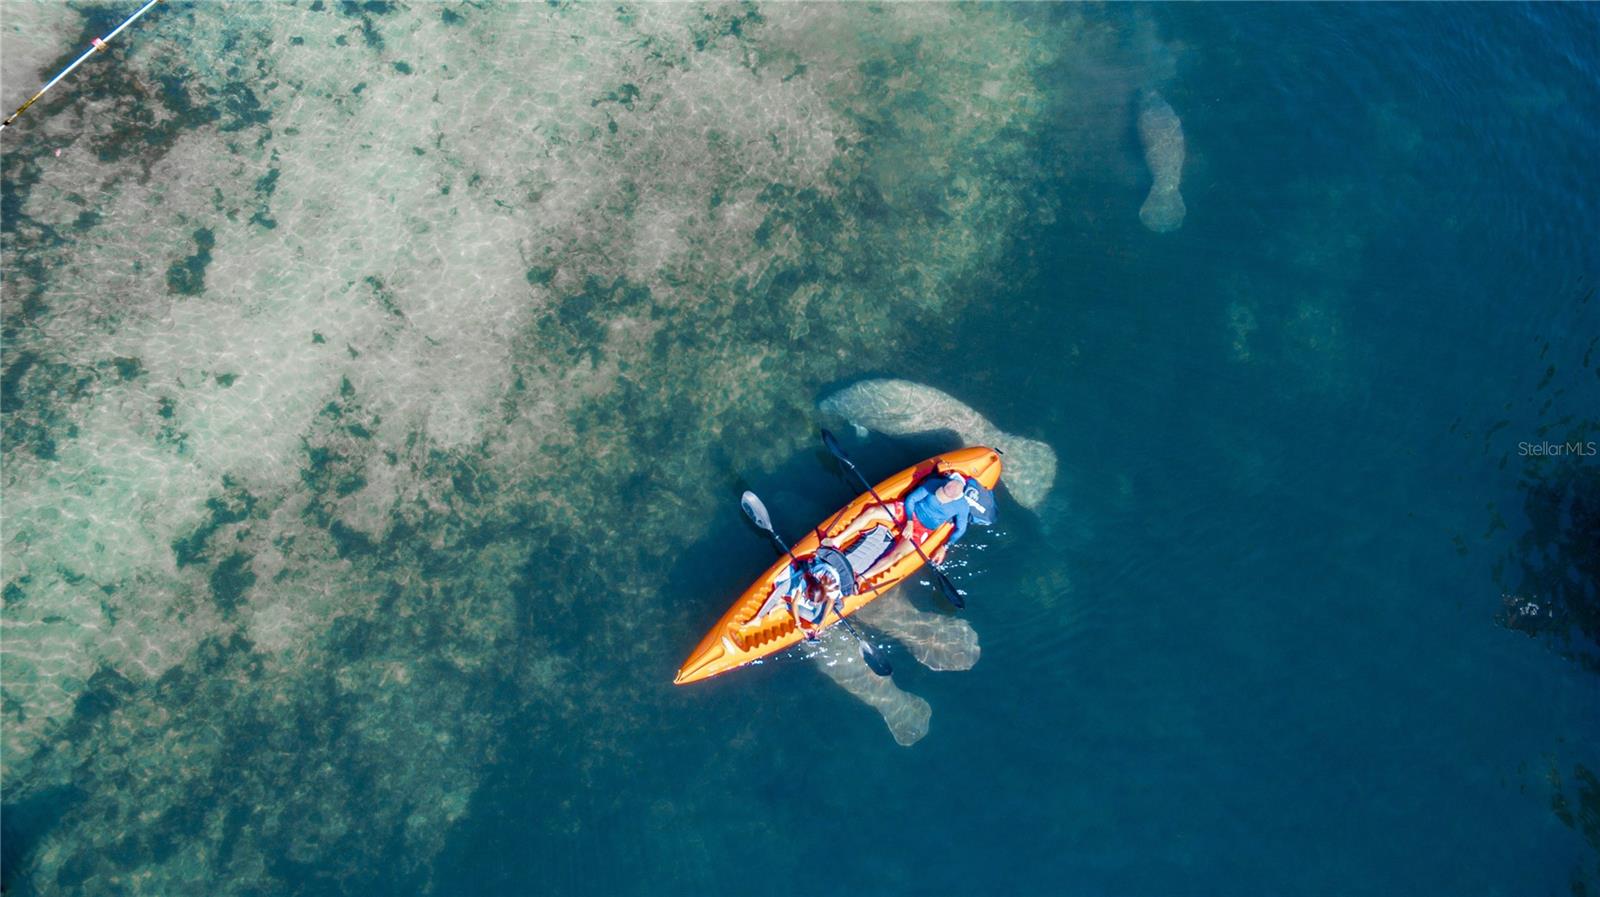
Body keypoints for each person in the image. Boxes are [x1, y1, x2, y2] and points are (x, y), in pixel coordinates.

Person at [822, 470, 972, 582]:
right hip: (908, 513)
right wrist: (909, 522)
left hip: (923, 529)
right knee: (871, 511)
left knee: (898, 555)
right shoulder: (935, 485)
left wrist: (944, 547)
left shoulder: (962, 507)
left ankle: (862, 578)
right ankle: (837, 540)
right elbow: (911, 500)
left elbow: (961, 529)